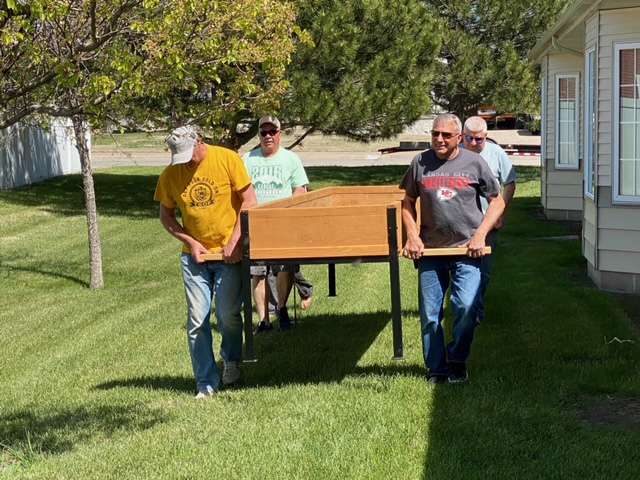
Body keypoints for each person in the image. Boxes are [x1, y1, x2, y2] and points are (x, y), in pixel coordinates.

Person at [400, 113, 505, 384]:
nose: (439, 139)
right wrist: (412, 235)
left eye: (446, 135)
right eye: (435, 134)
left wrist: (481, 235)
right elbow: (407, 201)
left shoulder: (474, 162)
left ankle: (457, 360)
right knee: (431, 314)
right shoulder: (420, 162)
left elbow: (497, 202)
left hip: (467, 251)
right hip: (431, 253)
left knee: (466, 308)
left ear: (459, 138)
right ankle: (436, 368)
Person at [154, 126, 257, 398]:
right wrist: (191, 243)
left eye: (189, 154)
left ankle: (232, 360)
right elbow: (166, 216)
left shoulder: (227, 159)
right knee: (197, 320)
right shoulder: (171, 174)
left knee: (227, 315)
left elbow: (249, 201)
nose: (186, 161)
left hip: (228, 254)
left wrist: (236, 241)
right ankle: (206, 382)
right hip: (194, 258)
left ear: (200, 141)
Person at [242, 115, 312, 332]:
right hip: (256, 224)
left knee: (285, 269)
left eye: (272, 132)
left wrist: (289, 212)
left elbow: (300, 189)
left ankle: (281, 308)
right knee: (258, 273)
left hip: (283, 223)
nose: (268, 136)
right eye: (264, 132)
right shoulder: (247, 159)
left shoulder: (291, 159)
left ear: (279, 134)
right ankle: (264, 321)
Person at [462, 116, 516, 324]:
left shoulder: (496, 153)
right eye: (469, 139)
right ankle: (467, 310)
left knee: (482, 271)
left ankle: (475, 311)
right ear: (462, 137)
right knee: (463, 270)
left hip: (487, 224)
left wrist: (500, 213)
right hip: (460, 224)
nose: (474, 144)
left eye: (479, 140)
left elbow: (510, 183)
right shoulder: (454, 154)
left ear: (486, 137)